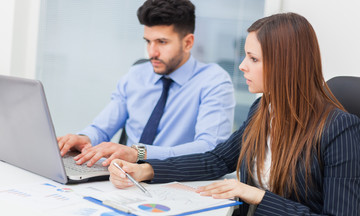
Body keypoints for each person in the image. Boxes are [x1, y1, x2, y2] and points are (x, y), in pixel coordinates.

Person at [109, 12, 360, 215]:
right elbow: (217, 159)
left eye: (253, 58)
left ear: (285, 65)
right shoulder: (263, 109)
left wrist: (258, 196)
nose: (242, 66)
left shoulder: (340, 130)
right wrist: (147, 170)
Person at [57, 0, 235, 167]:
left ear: (188, 43)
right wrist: (83, 139)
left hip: (175, 180)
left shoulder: (213, 82)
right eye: (148, 41)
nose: (152, 52)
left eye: (162, 42)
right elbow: (102, 128)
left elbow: (211, 148)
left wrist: (138, 153)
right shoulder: (136, 75)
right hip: (123, 175)